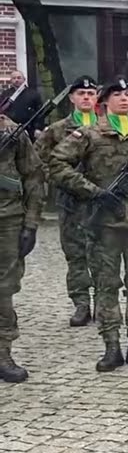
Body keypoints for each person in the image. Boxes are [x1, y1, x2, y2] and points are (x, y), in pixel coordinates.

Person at [49, 79, 128, 372]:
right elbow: (57, 163)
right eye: (118, 94)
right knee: (107, 285)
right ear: (105, 101)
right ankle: (111, 346)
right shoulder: (90, 133)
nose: (124, 98)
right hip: (104, 225)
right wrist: (92, 191)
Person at [35, 77, 101, 326]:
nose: (86, 97)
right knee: (75, 254)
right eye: (81, 93)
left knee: (104, 253)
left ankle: (103, 303)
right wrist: (59, 179)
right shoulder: (57, 129)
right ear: (72, 98)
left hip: (102, 201)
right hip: (71, 201)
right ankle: (81, 303)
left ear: (97, 98)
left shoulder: (107, 126)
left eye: (90, 93)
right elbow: (39, 161)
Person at [0, 96, 45, 383]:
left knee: (3, 289)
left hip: (8, 220)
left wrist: (31, 224)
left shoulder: (12, 131)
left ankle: (2, 353)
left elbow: (33, 177)